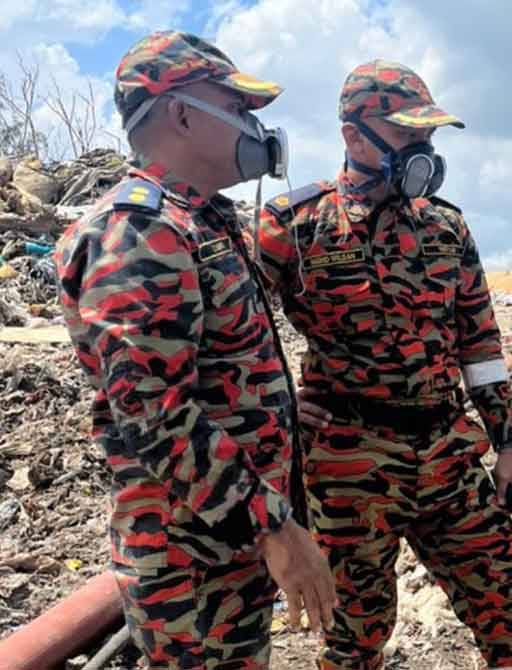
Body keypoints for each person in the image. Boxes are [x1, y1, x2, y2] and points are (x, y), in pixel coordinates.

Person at [257, 59, 512, 670]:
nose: (423, 151)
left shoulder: (447, 227)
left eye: (429, 139)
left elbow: (482, 346)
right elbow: (237, 335)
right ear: (353, 135)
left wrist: (508, 446)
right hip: (348, 462)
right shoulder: (294, 225)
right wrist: (281, 404)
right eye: (408, 136)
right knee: (355, 635)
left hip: (448, 450)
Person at [55, 31, 336, 669]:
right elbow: (154, 415)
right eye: (237, 107)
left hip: (226, 546)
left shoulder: (201, 218)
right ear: (181, 113)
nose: (253, 124)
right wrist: (275, 526)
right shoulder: (140, 230)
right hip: (190, 562)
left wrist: (282, 416)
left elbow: (215, 372)